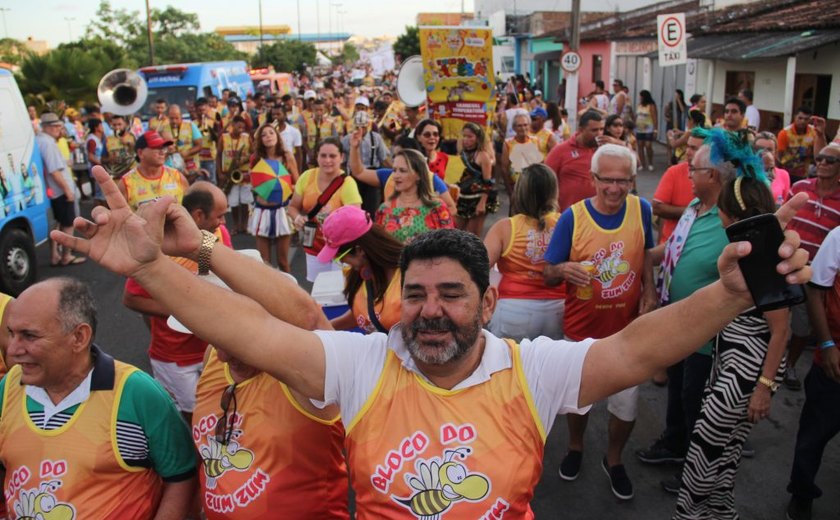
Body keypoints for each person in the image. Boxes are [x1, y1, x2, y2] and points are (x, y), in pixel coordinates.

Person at [51, 164, 811, 519]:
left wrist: (728, 295)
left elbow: (638, 352)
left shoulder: (530, 369)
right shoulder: (362, 363)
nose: (430, 312)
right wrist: (159, 264)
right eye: (415, 294)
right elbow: (249, 328)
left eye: (451, 295)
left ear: (490, 299)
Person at [0, 278, 197, 518]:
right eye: (11, 333)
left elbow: (182, 475)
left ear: (79, 337)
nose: (12, 350)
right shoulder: (8, 387)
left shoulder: (135, 393)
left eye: (29, 336)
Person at [638, 129, 756, 492]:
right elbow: (669, 250)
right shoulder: (693, 208)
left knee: (695, 398)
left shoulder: (733, 220)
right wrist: (641, 259)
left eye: (693, 169)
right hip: (678, 320)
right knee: (676, 386)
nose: (686, 174)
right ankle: (674, 444)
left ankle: (694, 469)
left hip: (710, 332)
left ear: (713, 176)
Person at [674, 155, 789, 519]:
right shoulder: (750, 249)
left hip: (748, 369)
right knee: (725, 452)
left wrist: (763, 387)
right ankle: (722, 513)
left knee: (705, 450)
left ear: (731, 216)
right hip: (733, 363)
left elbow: (781, 328)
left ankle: (691, 514)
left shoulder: (761, 256)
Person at [543, 144, 656, 501]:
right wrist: (561, 269)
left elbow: (646, 255)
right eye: (607, 179)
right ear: (593, 179)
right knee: (579, 401)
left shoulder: (643, 210)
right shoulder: (572, 218)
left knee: (626, 404)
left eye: (623, 180)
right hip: (581, 332)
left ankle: (614, 458)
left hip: (629, 332)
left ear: (632, 180)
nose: (614, 188)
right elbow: (547, 273)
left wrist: (650, 290)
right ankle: (575, 446)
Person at [192, 282, 349, 519]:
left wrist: (203, 248)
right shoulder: (213, 356)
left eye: (234, 340)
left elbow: (309, 318)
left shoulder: (301, 374)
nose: (222, 356)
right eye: (215, 337)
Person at [123, 182, 231, 421]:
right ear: (198, 215)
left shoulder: (217, 235)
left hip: (213, 349)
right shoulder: (159, 246)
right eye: (219, 216)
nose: (223, 223)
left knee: (220, 409)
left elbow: (220, 276)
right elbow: (131, 298)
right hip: (175, 357)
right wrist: (184, 309)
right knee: (192, 416)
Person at [785, 223, 840, 520]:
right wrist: (828, 344)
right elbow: (816, 291)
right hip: (835, 361)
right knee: (815, 434)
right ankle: (802, 493)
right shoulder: (838, 237)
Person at [484, 164, 565, 341]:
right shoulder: (565, 223)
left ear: (520, 191)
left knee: (511, 366)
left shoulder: (505, 227)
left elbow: (479, 268)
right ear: (554, 191)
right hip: (559, 309)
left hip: (513, 309)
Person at [782, 143, 840, 390]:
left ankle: (790, 366)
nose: (823, 163)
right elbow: (781, 221)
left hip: (813, 277)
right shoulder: (800, 188)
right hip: (784, 266)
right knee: (771, 318)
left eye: (830, 160)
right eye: (820, 158)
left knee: (803, 327)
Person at [319, 206, 404, 334]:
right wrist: (321, 330)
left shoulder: (408, 278)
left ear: (359, 250)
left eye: (339, 256)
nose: (341, 262)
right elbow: (366, 315)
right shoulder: (357, 275)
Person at [288, 137, 362, 282]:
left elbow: (356, 219)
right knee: (319, 292)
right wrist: (297, 218)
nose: (327, 160)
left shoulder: (347, 183)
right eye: (323, 155)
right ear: (317, 156)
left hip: (341, 251)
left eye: (332, 156)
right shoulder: (307, 177)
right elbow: (293, 207)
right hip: (314, 247)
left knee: (339, 294)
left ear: (342, 157)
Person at [247, 123, 299, 272]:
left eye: (271, 133)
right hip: (261, 211)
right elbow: (254, 184)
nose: (268, 136)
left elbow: (297, 183)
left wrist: (282, 185)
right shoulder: (256, 159)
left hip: (282, 211)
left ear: (277, 136)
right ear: (260, 140)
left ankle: (290, 294)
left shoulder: (287, 156)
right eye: (264, 134)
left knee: (283, 262)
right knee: (264, 264)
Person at [375, 149, 453, 244]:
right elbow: (379, 247)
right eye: (394, 170)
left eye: (403, 171)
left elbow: (449, 245)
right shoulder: (384, 209)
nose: (396, 176)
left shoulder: (437, 207)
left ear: (419, 175)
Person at [35, 113, 83, 267]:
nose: (59, 129)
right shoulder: (48, 143)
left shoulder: (40, 140)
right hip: (60, 191)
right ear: (48, 127)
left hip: (52, 191)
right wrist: (67, 191)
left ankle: (55, 255)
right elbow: (54, 171)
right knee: (68, 225)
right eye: (56, 126)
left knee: (56, 225)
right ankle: (66, 256)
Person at [545, 110, 605, 211]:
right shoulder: (560, 150)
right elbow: (545, 180)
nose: (599, 134)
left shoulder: (605, 150)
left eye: (601, 129)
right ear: (581, 130)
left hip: (597, 214)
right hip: (567, 214)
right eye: (594, 130)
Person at [653, 132, 706, 244]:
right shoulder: (674, 172)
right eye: (688, 146)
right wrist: (694, 212)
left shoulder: (716, 177)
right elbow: (658, 208)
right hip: (671, 246)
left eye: (694, 148)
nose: (687, 152)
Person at [119, 130, 190, 211]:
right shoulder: (126, 183)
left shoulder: (177, 176)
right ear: (140, 153)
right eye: (156, 148)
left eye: (163, 148)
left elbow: (190, 211)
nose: (162, 152)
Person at [458, 122, 498, 235]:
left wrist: (482, 203)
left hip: (478, 199)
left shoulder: (483, 155)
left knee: (472, 235)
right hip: (462, 198)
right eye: (464, 136)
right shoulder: (462, 153)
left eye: (470, 136)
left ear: (478, 138)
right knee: (455, 231)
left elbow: (488, 182)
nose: (466, 139)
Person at [217, 115, 252, 234]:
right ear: (232, 126)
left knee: (245, 202)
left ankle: (245, 225)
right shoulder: (224, 138)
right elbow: (218, 155)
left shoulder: (247, 138)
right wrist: (220, 172)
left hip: (244, 174)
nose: (241, 129)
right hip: (230, 174)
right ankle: (236, 226)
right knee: (234, 202)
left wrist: (244, 160)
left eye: (243, 127)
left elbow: (253, 154)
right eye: (239, 127)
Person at [501, 113, 542, 196]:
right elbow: (504, 169)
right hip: (516, 188)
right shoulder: (508, 143)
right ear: (514, 128)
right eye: (519, 126)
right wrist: (510, 192)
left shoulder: (535, 141)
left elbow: (541, 164)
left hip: (533, 187)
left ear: (529, 126)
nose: (523, 128)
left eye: (525, 125)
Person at [778, 106, 819, 183]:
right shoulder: (784, 133)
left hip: (804, 173)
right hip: (786, 172)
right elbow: (779, 156)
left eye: (806, 119)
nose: (803, 121)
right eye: (800, 118)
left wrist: (810, 154)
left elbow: (817, 153)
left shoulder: (814, 132)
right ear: (794, 117)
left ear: (809, 120)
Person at [165, 104, 202, 179]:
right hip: (173, 167)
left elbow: (199, 145)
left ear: (181, 116)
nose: (174, 121)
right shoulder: (164, 129)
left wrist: (187, 152)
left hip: (191, 165)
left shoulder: (190, 125)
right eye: (171, 118)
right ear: (167, 117)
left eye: (177, 118)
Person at [754, 131, 791, 204]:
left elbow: (784, 204)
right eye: (758, 148)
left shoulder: (783, 175)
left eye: (769, 149)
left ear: (775, 153)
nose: (763, 152)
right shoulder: (744, 171)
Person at [102, 114, 137, 180]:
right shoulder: (108, 140)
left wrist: (129, 144)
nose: (117, 127)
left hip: (131, 176)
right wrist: (110, 159)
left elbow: (139, 154)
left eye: (119, 124)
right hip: (116, 176)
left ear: (126, 124)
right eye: (114, 125)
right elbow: (102, 159)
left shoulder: (133, 137)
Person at [635, 90, 658, 171]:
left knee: (648, 146)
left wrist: (655, 130)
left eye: (641, 96)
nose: (640, 97)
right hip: (639, 129)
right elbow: (636, 115)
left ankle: (650, 163)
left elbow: (655, 117)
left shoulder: (651, 105)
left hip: (649, 129)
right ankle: (642, 163)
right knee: (640, 145)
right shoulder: (639, 105)